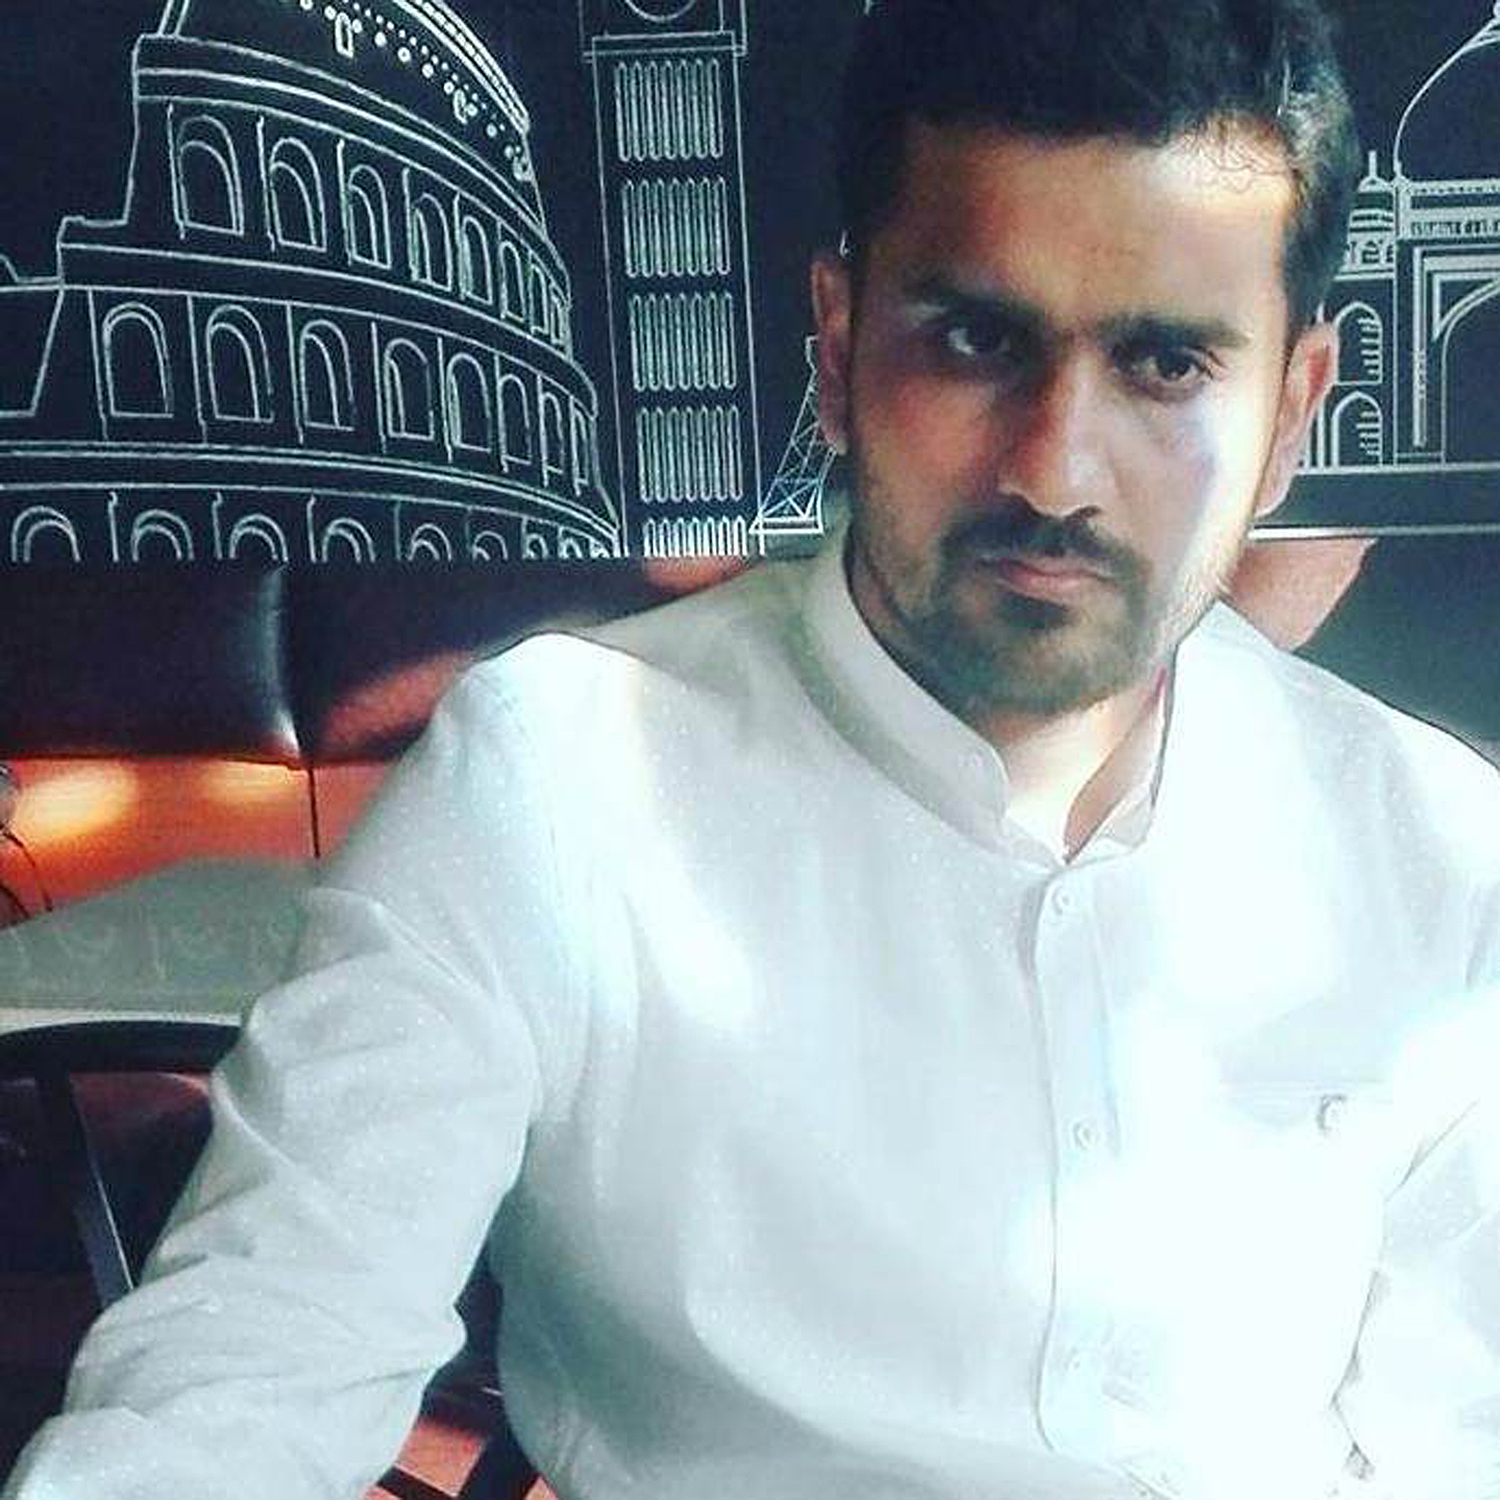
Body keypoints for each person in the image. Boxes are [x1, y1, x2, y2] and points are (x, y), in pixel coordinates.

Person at [8, 1, 1500, 1497]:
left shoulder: (1435, 849)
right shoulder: (557, 784)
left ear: (1290, 409)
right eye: (975, 340)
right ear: (839, 346)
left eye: (1167, 365)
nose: (1055, 470)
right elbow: (257, 1361)